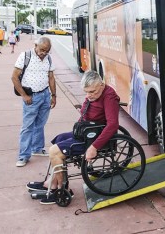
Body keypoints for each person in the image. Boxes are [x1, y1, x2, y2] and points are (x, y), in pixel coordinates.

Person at [26, 70, 120, 205]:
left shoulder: (108, 97)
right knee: (58, 139)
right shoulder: (94, 95)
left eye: (92, 91)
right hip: (86, 131)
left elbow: (112, 125)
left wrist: (94, 147)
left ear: (101, 84)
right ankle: (52, 182)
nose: (89, 95)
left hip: (94, 137)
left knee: (54, 151)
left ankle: (62, 189)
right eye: (86, 92)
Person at [11, 36, 56, 167]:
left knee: (40, 124)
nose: (44, 53)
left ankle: (37, 148)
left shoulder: (48, 58)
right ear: (36, 45)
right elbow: (14, 77)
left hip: (45, 95)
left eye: (47, 50)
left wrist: (53, 96)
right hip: (31, 96)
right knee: (27, 126)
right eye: (42, 50)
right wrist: (24, 95)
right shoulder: (25, 56)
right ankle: (23, 156)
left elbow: (51, 78)